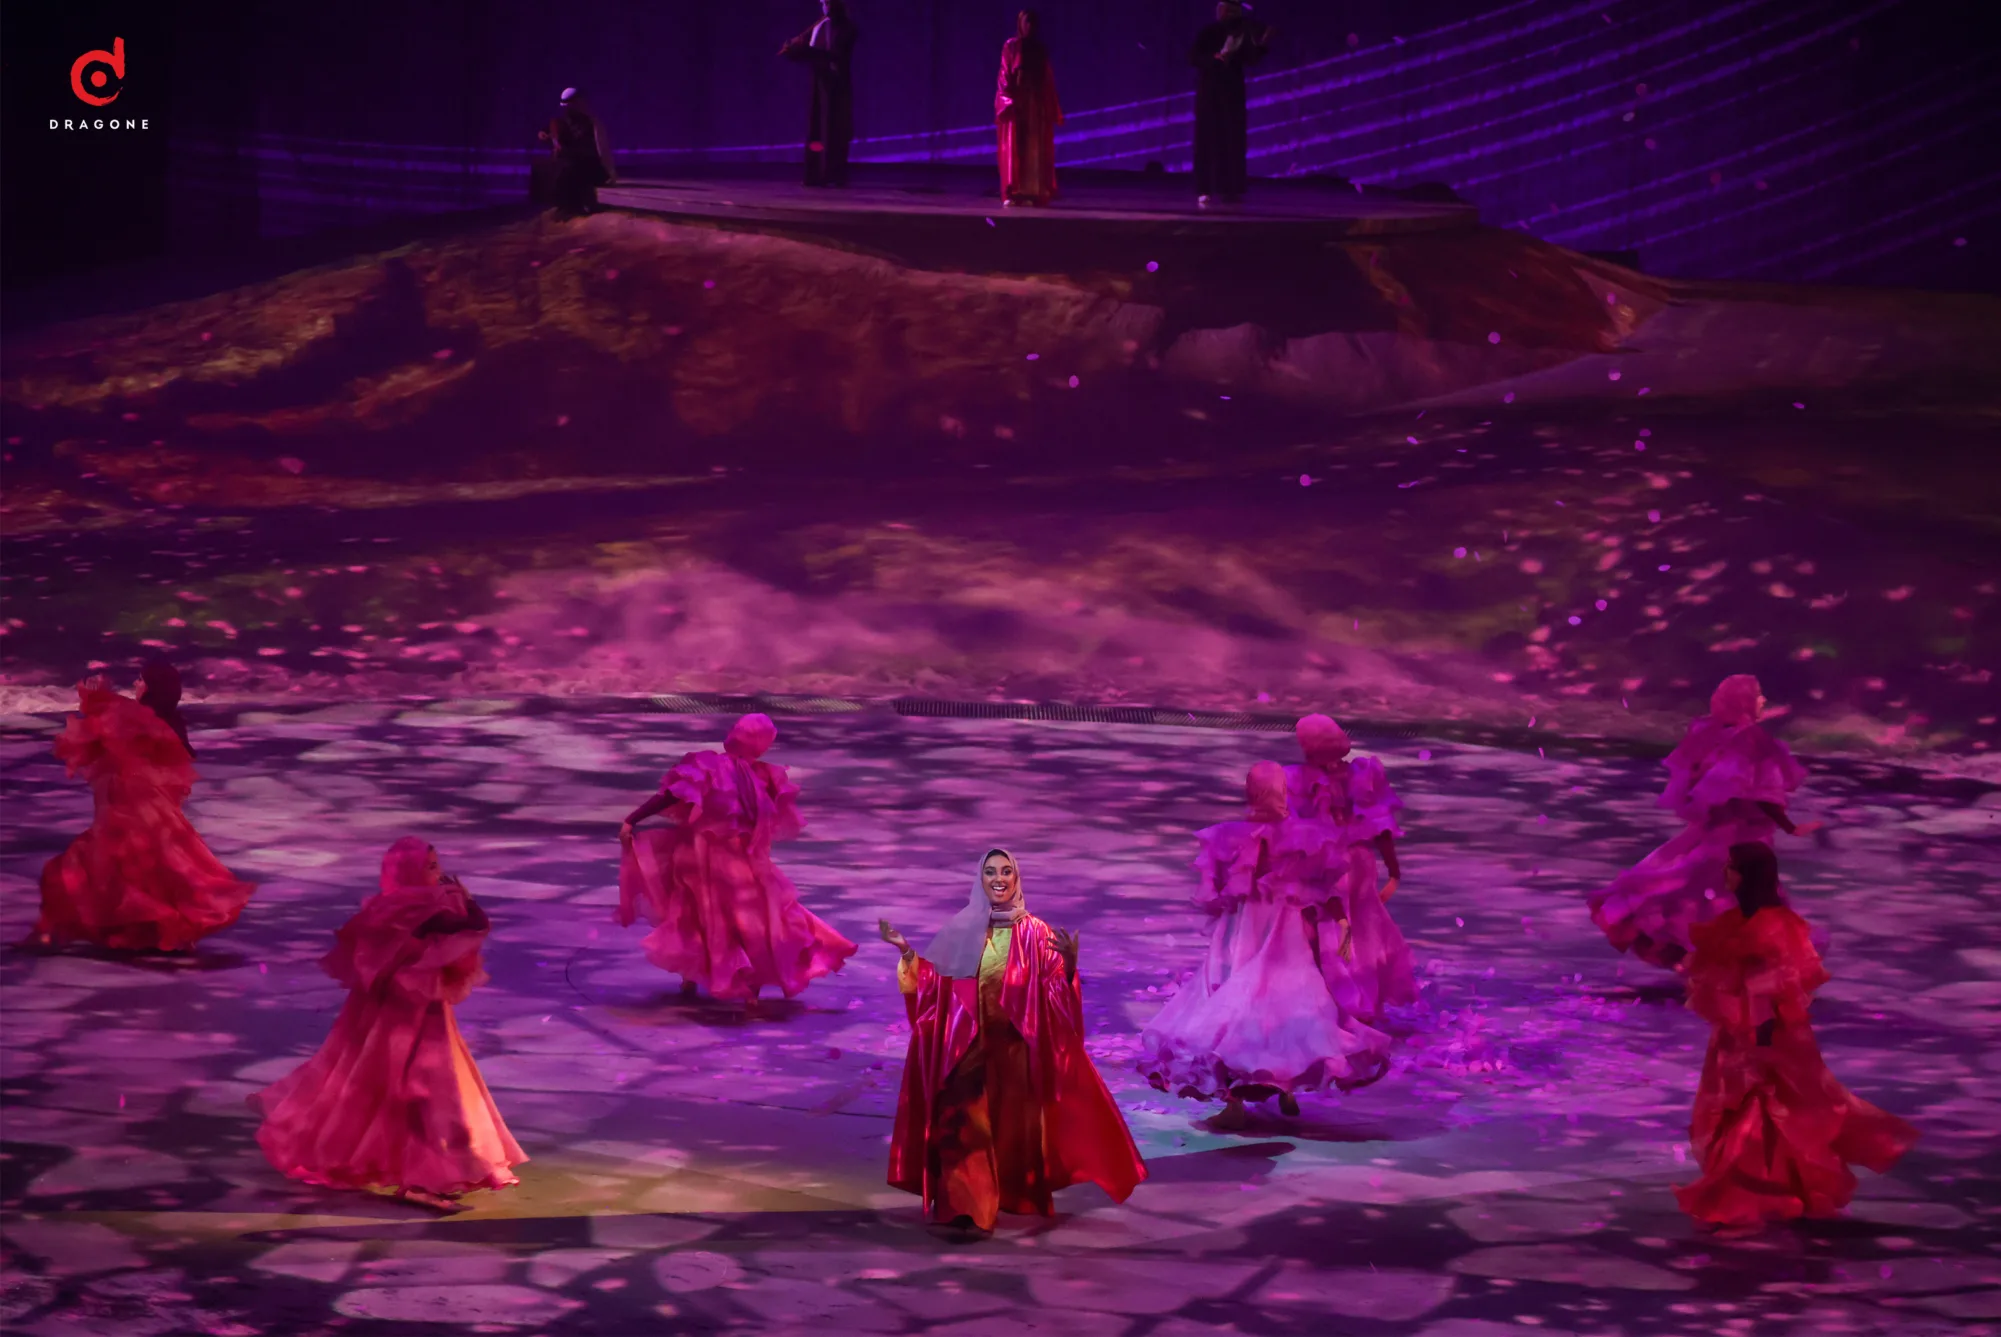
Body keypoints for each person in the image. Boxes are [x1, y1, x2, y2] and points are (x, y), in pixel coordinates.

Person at [878, 849, 1146, 1236]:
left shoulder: (1035, 932)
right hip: (965, 1047)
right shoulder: (961, 930)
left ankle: (1008, 1195)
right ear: (980, 879)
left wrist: (1069, 968)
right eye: (990, 872)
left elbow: (1054, 992)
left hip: (1013, 1051)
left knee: (1011, 1132)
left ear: (1016, 878)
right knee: (965, 1125)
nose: (998, 878)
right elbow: (933, 986)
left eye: (1006, 871)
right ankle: (967, 1208)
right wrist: (906, 952)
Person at [252, 838, 525, 1212]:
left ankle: (424, 1177)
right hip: (400, 1018)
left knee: (417, 1093)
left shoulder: (397, 905)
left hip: (417, 1013)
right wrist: (466, 897)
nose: (437, 872)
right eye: (428, 866)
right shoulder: (414, 908)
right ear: (408, 871)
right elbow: (470, 925)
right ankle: (422, 1180)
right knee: (423, 1092)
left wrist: (459, 899)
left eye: (436, 863)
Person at [1676, 842, 1917, 1227]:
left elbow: (1777, 989)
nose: (1726, 874)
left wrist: (1763, 1042)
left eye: (1732, 868)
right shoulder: (1734, 924)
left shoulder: (1772, 928)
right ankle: (1774, 1188)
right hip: (1737, 1035)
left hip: (1766, 1036)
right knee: (1755, 1108)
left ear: (1748, 876)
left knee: (1766, 1106)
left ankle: (1748, 1191)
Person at [1140, 762, 1391, 1130]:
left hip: (1245, 934)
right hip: (1282, 935)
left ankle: (1241, 1101)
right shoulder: (1301, 836)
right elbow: (1321, 891)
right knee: (1281, 1006)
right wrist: (1340, 923)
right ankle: (1279, 1088)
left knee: (1241, 1008)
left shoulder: (1230, 837)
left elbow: (1219, 894)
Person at [618, 714, 856, 1005]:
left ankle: (705, 978)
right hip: (740, 858)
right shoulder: (765, 776)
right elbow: (771, 822)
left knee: (701, 911)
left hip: (704, 853)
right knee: (748, 916)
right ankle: (735, 986)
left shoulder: (711, 766)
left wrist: (632, 819)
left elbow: (669, 795)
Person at [1590, 675, 1821, 971]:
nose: (1763, 701)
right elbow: (1756, 793)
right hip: (1739, 839)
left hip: (1714, 835)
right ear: (1743, 702)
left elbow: (1697, 792)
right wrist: (1789, 826)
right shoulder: (1750, 743)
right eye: (1758, 695)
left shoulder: (1708, 735)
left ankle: (1702, 960)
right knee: (1725, 897)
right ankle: (1722, 964)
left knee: (1693, 892)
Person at [31, 661, 253, 952]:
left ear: (153, 687)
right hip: (138, 817)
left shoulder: (143, 722)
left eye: (140, 680)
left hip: (135, 818)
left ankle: (143, 935)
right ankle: (144, 935)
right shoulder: (162, 723)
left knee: (114, 873)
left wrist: (98, 699)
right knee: (133, 875)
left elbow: (107, 730)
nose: (135, 685)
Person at [1285, 714, 1414, 1020]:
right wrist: (1394, 870)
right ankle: (1358, 996)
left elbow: (1293, 833)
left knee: (1332, 927)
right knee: (1362, 927)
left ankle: (1339, 996)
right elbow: (1380, 825)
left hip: (1329, 862)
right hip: (1358, 861)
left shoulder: (1300, 781)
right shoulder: (1364, 775)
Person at [1189, 0, 1274, 206]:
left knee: (1231, 140)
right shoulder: (1209, 32)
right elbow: (1193, 56)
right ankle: (1204, 188)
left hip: (1232, 93)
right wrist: (1213, 58)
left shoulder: (1243, 33)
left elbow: (1250, 59)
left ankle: (1230, 188)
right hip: (1210, 92)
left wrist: (1262, 45)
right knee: (1206, 140)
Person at [780, 0, 858, 188]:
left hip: (837, 84)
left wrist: (809, 51)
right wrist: (793, 50)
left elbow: (837, 54)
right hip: (820, 83)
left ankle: (835, 174)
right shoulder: (820, 25)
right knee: (817, 130)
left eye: (829, 3)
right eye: (823, 3)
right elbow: (807, 50)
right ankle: (815, 173)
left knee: (836, 130)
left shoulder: (847, 28)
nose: (825, 7)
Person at [995, 10, 1062, 207]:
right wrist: (1008, 101)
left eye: (1033, 22)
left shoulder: (1040, 49)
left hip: (1035, 105)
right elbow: (1005, 74)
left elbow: (1047, 80)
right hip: (1018, 103)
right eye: (1027, 22)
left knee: (1034, 149)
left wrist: (1049, 107)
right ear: (1020, 24)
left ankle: (1034, 191)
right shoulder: (1012, 46)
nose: (1030, 26)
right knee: (1017, 145)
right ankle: (1014, 191)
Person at [538, 88, 615, 220]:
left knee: (570, 177)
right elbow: (545, 132)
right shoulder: (563, 122)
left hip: (586, 167)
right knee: (564, 177)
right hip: (574, 166)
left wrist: (610, 172)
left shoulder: (589, 123)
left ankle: (573, 209)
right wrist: (545, 136)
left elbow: (599, 150)